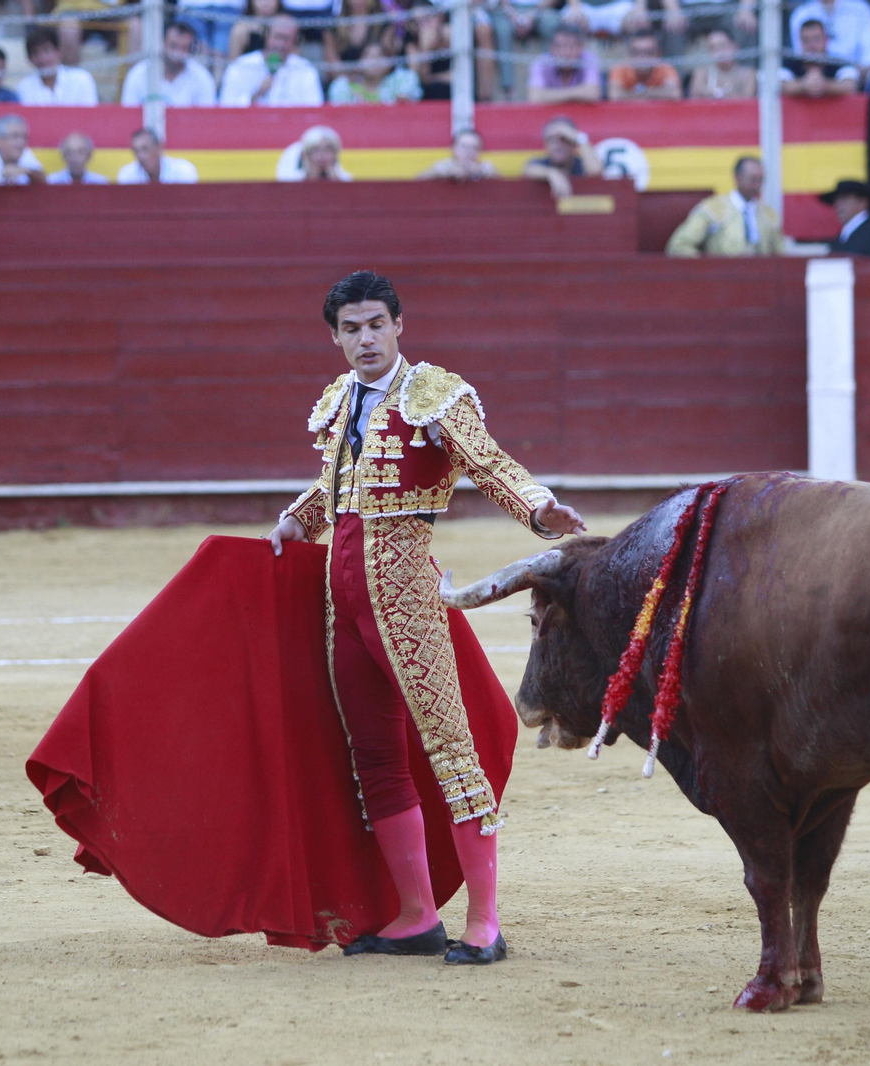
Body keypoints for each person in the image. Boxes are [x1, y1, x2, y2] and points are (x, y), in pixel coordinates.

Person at [267, 270, 587, 966]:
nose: (365, 339)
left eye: (376, 324)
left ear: (399, 326)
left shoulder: (433, 394)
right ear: (335, 336)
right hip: (343, 598)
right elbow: (334, 491)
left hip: (407, 590)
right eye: (351, 329)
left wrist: (538, 508)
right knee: (374, 758)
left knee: (450, 748)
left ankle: (486, 922)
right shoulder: (338, 400)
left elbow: (489, 461)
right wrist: (296, 522)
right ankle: (416, 916)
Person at [666, 156, 782, 257]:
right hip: (721, 279)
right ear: (738, 178)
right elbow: (679, 245)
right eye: (753, 180)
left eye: (761, 180)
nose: (757, 185)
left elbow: (781, 256)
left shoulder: (769, 215)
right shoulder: (713, 208)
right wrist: (706, 268)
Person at [219, 14, 324, 105]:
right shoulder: (240, 67)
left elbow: (314, 110)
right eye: (277, 37)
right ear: (266, 36)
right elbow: (225, 108)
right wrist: (255, 96)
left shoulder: (305, 70)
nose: (280, 44)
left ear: (294, 42)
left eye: (286, 39)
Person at [121, 22, 219, 107]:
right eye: (173, 46)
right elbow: (128, 116)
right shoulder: (138, 74)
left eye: (184, 48)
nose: (178, 53)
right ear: (162, 44)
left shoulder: (202, 77)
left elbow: (207, 120)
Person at [788, 0, 870, 74]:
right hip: (809, 83)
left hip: (855, 84)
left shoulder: (860, 10)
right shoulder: (801, 13)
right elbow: (800, 57)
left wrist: (849, 76)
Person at [522, 115, 603, 199]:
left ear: (573, 143)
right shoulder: (542, 164)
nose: (557, 146)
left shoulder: (582, 164)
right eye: (551, 140)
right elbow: (528, 169)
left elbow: (595, 172)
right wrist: (551, 173)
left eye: (563, 139)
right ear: (546, 144)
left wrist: (579, 137)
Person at [16, 26, 100, 106]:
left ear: (59, 52)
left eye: (47, 51)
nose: (43, 58)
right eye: (36, 53)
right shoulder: (24, 87)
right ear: (30, 59)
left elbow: (90, 115)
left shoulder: (82, 79)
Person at [781, 18, 860, 97]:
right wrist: (803, 85)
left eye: (816, 39)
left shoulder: (838, 62)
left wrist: (825, 85)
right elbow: (779, 85)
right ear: (800, 42)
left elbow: (850, 85)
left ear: (826, 40)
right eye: (806, 40)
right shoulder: (789, 64)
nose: (811, 45)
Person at [821, 179, 870, 262]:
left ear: (863, 202)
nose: (838, 205)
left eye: (844, 199)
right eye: (836, 200)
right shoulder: (839, 239)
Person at [527, 25, 602, 103]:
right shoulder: (541, 62)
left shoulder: (589, 59)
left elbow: (593, 93)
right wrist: (578, 93)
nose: (565, 52)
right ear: (551, 47)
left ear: (581, 47)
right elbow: (535, 96)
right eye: (559, 47)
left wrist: (550, 96)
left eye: (570, 46)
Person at [329, 42, 425, 103]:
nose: (374, 61)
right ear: (359, 63)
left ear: (389, 64)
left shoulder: (401, 82)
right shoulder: (344, 88)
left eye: (380, 56)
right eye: (369, 56)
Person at [608, 29, 683, 100]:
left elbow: (675, 94)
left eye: (649, 52)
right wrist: (654, 93)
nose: (643, 58)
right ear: (629, 55)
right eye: (637, 52)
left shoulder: (665, 68)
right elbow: (614, 95)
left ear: (658, 54)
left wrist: (639, 93)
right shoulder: (620, 68)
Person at [326, 0, 399, 71]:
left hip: (378, 80)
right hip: (344, 80)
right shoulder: (332, 25)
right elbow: (331, 63)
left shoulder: (384, 22)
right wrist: (350, 80)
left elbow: (388, 60)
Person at [687, 28, 757, 98]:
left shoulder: (747, 74)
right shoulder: (703, 72)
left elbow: (748, 99)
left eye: (722, 45)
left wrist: (718, 94)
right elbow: (695, 95)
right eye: (713, 48)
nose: (719, 52)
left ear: (734, 46)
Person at [406, 4, 456, 101]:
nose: (423, 27)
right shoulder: (413, 44)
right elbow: (417, 82)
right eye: (417, 23)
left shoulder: (450, 35)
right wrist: (425, 50)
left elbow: (458, 77)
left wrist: (432, 78)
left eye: (426, 19)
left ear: (439, 17)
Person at [117, 127, 200, 183]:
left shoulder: (183, 170)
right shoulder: (127, 174)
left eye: (145, 149)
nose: (140, 156)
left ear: (159, 148)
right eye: (136, 151)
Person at [418, 129, 500, 181]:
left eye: (473, 147)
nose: (468, 151)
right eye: (463, 147)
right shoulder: (444, 166)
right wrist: (438, 173)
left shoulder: (485, 167)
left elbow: (501, 185)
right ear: (453, 148)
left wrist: (483, 173)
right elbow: (417, 181)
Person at [280, 126, 354, 181]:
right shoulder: (292, 180)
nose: (322, 154)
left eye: (328, 149)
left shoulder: (346, 180)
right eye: (316, 149)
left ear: (335, 153)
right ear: (305, 154)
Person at [559, 0, 653, 38]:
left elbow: (640, 10)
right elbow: (575, 10)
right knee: (571, 23)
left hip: (619, 6)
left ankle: (632, 72)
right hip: (584, 7)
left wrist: (640, 8)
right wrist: (575, 8)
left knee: (639, 22)